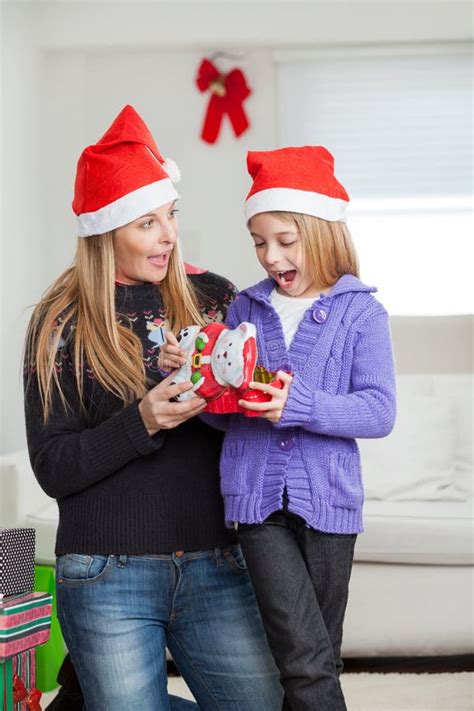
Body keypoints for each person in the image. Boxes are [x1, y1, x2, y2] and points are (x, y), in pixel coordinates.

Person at [23, 105, 283, 711]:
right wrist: (142, 420)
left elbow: (256, 421)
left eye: (171, 215)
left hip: (217, 561)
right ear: (107, 230)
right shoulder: (60, 321)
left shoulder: (215, 296)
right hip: (105, 571)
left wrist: (237, 391)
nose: (168, 234)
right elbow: (54, 466)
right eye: (146, 223)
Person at [162, 146, 397, 710]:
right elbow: (225, 418)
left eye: (284, 241)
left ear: (321, 234)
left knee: (318, 654)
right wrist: (201, 379)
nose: (270, 256)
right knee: (303, 657)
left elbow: (378, 411)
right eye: (259, 242)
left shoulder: (361, 313)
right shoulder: (244, 309)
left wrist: (300, 403)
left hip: (331, 504)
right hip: (257, 505)